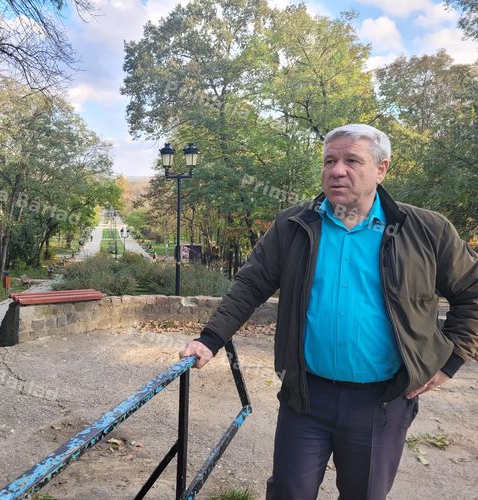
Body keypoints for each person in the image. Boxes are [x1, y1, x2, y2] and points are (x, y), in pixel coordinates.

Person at [179, 124, 477, 500]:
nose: (337, 170)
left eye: (352, 160)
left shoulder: (425, 230)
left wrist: (450, 360)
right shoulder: (294, 225)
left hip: (382, 402)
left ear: (381, 169)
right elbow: (250, 285)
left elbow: (472, 291)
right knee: (289, 492)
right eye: (329, 161)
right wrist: (210, 340)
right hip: (305, 396)